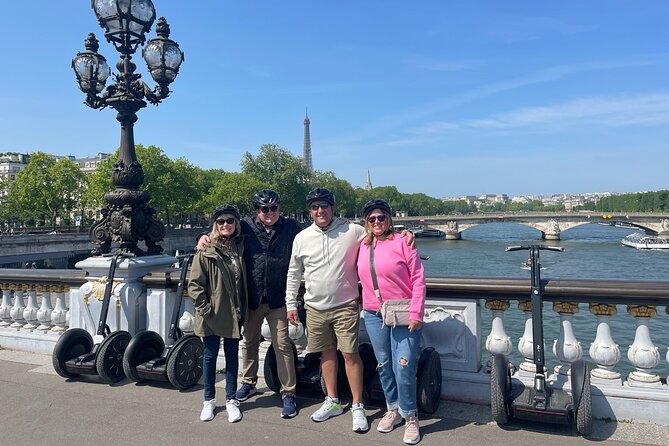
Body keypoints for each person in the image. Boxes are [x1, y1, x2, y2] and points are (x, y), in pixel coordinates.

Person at [285, 188, 413, 432]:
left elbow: (379, 233)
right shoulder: (301, 238)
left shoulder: (352, 231)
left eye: (324, 205)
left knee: (350, 354)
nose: (319, 210)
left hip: (345, 305)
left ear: (332, 208)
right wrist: (291, 302)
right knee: (326, 354)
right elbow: (294, 272)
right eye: (314, 207)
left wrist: (404, 233)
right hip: (314, 306)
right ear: (310, 211)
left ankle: (357, 405)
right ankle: (332, 400)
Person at [196, 189, 302, 419]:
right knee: (249, 342)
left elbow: (314, 238)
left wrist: (341, 225)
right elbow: (224, 227)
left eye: (274, 208)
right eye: (265, 209)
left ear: (279, 209)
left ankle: (288, 392)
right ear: (257, 211)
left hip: (278, 298)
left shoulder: (291, 227)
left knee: (282, 345)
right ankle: (249, 381)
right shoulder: (245, 225)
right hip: (250, 298)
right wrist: (202, 235)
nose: (270, 213)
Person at [356, 199, 426, 445]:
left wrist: (417, 313)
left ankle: (410, 415)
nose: (377, 222)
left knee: (404, 364)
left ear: (389, 219)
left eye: (381, 217)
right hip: (374, 313)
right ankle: (392, 408)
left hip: (402, 312)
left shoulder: (403, 242)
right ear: (366, 222)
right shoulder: (362, 244)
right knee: (384, 364)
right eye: (372, 218)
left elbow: (418, 279)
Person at [189, 204, 248, 424]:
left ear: (236, 223)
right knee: (210, 357)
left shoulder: (240, 245)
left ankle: (231, 399)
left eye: (230, 221)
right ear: (215, 224)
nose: (225, 225)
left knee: (232, 357)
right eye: (221, 221)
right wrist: (206, 310)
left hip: (233, 312)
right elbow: (195, 284)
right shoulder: (206, 250)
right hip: (213, 313)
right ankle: (209, 400)